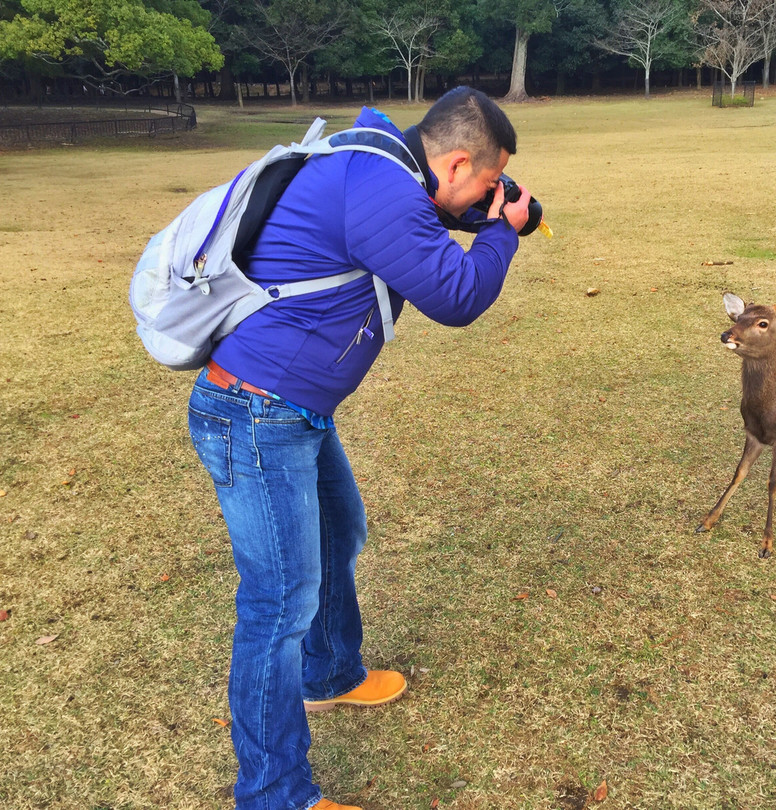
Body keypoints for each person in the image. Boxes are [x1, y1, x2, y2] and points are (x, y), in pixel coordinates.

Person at [186, 86, 532, 810]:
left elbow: (435, 213)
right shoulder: (377, 182)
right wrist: (500, 232)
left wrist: (485, 210)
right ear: (459, 158)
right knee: (276, 606)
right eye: (489, 180)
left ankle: (330, 674)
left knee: (341, 533)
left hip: (291, 411)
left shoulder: (381, 168)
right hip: (256, 414)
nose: (489, 194)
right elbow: (457, 293)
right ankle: (274, 795)